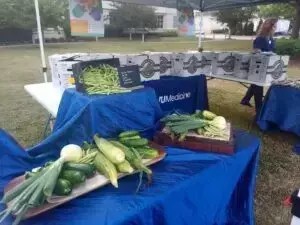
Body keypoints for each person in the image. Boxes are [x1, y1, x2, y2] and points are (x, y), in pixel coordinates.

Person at [240, 18, 278, 113]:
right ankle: (259, 109)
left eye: (275, 26)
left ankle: (245, 100)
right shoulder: (260, 38)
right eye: (273, 26)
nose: (275, 28)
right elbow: (255, 52)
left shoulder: (272, 39)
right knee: (258, 85)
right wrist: (261, 52)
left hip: (268, 66)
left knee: (255, 84)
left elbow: (272, 50)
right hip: (258, 65)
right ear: (268, 27)